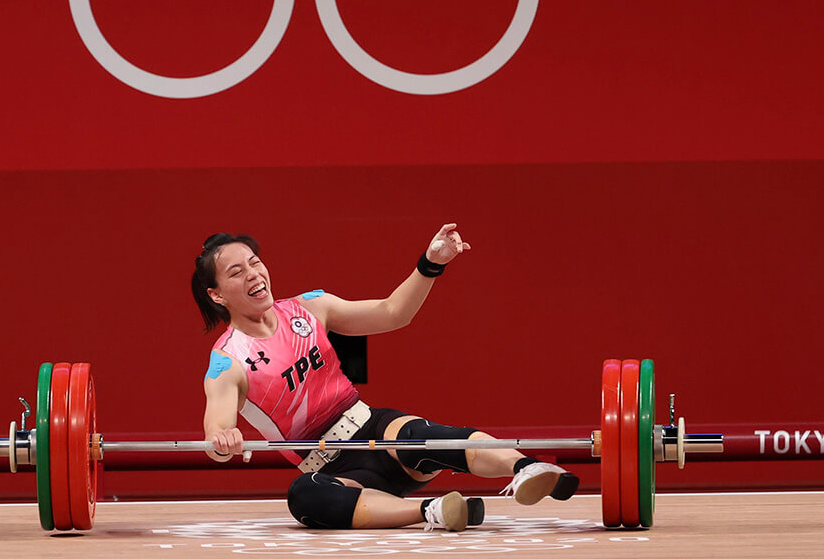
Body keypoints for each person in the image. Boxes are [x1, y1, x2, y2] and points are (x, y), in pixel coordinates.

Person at [191, 224, 578, 531]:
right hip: (335, 470)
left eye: (255, 262)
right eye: (236, 272)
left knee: (424, 436)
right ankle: (434, 511)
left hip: (375, 429)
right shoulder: (228, 361)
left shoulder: (310, 308)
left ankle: (526, 467)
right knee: (304, 497)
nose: (254, 274)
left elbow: (394, 313)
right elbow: (216, 433)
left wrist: (431, 263)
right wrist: (223, 440)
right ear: (217, 295)